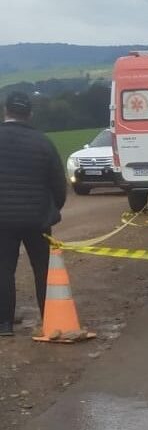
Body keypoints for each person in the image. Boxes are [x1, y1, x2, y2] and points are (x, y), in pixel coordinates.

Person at [0, 92, 67, 336]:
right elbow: (59, 185)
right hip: (38, 219)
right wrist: (52, 210)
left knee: (3, 269)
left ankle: (4, 324)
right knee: (43, 269)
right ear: (29, 114)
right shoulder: (43, 142)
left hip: (2, 220)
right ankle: (50, 318)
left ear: (5, 111)